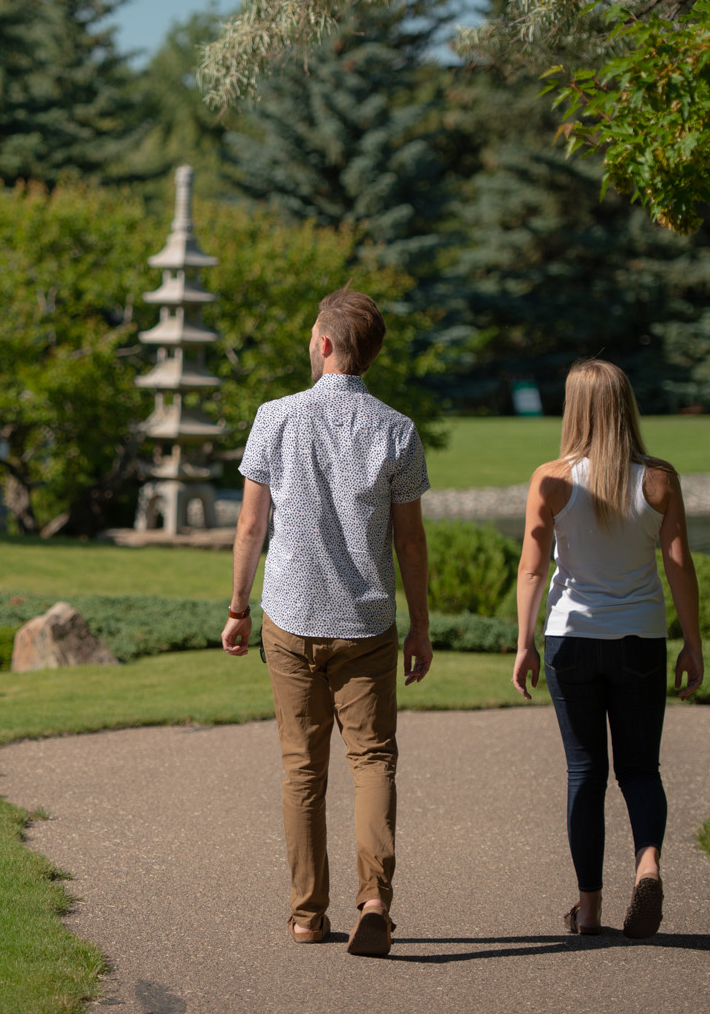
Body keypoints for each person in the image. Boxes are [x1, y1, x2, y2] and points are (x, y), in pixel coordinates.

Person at [222, 287, 433, 959]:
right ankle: (374, 901)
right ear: (370, 354)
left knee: (302, 771)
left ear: (322, 345)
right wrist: (421, 625)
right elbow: (410, 543)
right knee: (372, 761)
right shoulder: (397, 429)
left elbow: (252, 525)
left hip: (290, 616)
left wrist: (236, 605)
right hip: (367, 623)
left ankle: (308, 915)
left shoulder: (275, 417)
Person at [512, 358, 703, 939]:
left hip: (571, 642)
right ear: (625, 406)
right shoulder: (659, 480)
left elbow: (531, 567)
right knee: (641, 770)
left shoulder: (551, 478)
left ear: (575, 408)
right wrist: (692, 645)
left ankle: (589, 908)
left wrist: (522, 644)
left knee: (585, 772)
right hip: (640, 640)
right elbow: (679, 568)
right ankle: (647, 865)